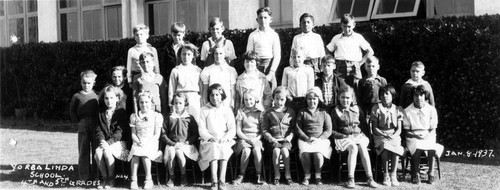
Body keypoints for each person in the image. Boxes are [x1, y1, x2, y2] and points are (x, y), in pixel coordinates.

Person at [331, 85, 379, 189]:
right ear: (339, 97)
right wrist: (343, 135)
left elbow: (364, 126)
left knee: (362, 146)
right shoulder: (335, 111)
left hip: (358, 135)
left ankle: (370, 178)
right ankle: (350, 179)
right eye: (343, 97)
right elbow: (332, 130)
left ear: (352, 98)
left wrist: (368, 140)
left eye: (348, 98)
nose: (345, 100)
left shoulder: (357, 109)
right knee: (353, 147)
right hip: (342, 137)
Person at [198, 84, 236, 190]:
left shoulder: (227, 109)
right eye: (212, 95)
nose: (215, 97)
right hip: (209, 140)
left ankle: (222, 180)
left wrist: (226, 138)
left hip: (224, 139)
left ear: (221, 95)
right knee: (214, 147)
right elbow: (202, 129)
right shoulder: (204, 110)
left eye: (217, 95)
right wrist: (209, 137)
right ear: (208, 96)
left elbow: (232, 128)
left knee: (223, 147)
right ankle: (214, 180)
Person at [404, 85, 443, 184]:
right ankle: (415, 174)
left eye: (421, 95)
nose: (419, 98)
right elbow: (406, 131)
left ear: (425, 96)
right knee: (417, 146)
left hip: (428, 135)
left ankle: (431, 174)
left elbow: (433, 127)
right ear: (412, 97)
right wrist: (416, 136)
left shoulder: (431, 109)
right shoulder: (407, 111)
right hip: (413, 136)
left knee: (431, 147)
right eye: (416, 95)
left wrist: (427, 136)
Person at [295, 87, 332, 185]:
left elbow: (328, 130)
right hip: (305, 139)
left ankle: (318, 176)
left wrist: (320, 139)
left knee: (318, 154)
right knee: (305, 154)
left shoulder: (324, 112)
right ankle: (307, 176)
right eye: (309, 99)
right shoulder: (302, 112)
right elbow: (298, 128)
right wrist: (306, 138)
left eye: (314, 99)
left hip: (320, 140)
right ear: (306, 100)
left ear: (318, 99)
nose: (312, 101)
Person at [94, 86, 130, 189]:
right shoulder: (100, 113)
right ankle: (104, 178)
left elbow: (120, 132)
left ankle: (111, 178)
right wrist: (102, 141)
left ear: (117, 98)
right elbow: (98, 129)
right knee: (97, 153)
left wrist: (108, 143)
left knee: (107, 151)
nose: (109, 101)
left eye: (111, 98)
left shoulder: (121, 112)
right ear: (103, 99)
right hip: (105, 142)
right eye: (106, 98)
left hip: (118, 143)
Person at [161, 93, 199, 187]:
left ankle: (183, 176)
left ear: (185, 103)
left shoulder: (189, 118)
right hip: (172, 144)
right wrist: (172, 143)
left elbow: (195, 134)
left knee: (179, 153)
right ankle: (171, 176)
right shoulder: (169, 117)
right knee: (172, 153)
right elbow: (163, 134)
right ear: (173, 103)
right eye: (176, 103)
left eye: (180, 103)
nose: (178, 105)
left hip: (185, 145)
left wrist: (186, 142)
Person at [325, 14, 374, 87]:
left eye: (349, 26)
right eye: (344, 26)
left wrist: (360, 63)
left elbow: (370, 52)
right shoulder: (336, 38)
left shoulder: (358, 37)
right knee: (339, 87)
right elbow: (328, 50)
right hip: (339, 66)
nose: (347, 29)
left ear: (354, 25)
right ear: (341, 25)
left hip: (354, 67)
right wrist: (333, 62)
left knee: (356, 88)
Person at [370, 85, 404, 187]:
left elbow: (399, 129)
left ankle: (393, 175)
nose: (384, 96)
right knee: (385, 146)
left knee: (396, 146)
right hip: (380, 135)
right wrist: (383, 133)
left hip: (393, 135)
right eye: (382, 94)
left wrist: (393, 136)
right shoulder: (376, 108)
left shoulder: (397, 109)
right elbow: (374, 128)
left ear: (392, 95)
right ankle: (386, 175)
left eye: (387, 94)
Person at [128, 92, 163, 189]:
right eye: (141, 102)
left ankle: (148, 179)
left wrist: (148, 142)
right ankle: (133, 179)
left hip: (151, 142)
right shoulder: (134, 116)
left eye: (146, 102)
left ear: (151, 103)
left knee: (144, 155)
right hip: (138, 141)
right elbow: (133, 133)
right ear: (138, 104)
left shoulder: (156, 116)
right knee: (136, 155)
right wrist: (138, 141)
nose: (144, 105)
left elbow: (157, 134)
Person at [261, 86, 295, 185]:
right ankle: (277, 175)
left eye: (282, 99)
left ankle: (288, 175)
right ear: (273, 98)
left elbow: (294, 128)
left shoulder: (290, 112)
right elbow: (264, 129)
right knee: (276, 151)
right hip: (273, 141)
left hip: (286, 140)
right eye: (277, 99)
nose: (279, 102)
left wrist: (290, 136)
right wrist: (270, 138)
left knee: (284, 150)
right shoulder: (268, 113)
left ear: (286, 99)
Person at [69, 70, 99, 181]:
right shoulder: (77, 96)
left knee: (96, 151)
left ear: (93, 83)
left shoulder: (96, 96)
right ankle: (84, 176)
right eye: (84, 83)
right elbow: (72, 111)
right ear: (81, 83)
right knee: (83, 150)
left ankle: (96, 176)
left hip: (95, 125)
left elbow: (99, 111)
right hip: (83, 124)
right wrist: (78, 122)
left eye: (89, 83)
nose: (86, 85)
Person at [232, 90, 265, 185]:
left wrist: (257, 138)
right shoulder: (241, 111)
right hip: (244, 138)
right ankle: (241, 175)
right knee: (246, 151)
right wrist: (246, 139)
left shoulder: (260, 112)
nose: (248, 102)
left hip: (256, 138)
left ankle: (259, 175)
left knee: (257, 150)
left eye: (250, 99)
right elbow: (238, 130)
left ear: (255, 99)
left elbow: (263, 131)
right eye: (246, 100)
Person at [246, 7, 281, 90]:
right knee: (255, 91)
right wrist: (252, 69)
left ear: (270, 19)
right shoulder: (253, 35)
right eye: (260, 18)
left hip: (269, 66)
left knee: (270, 92)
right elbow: (249, 54)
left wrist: (271, 72)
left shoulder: (274, 35)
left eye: (265, 17)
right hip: (256, 66)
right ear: (257, 20)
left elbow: (277, 56)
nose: (263, 20)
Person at [168, 43, 202, 118]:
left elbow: (201, 89)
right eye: (184, 54)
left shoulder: (198, 70)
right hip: (180, 99)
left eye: (189, 54)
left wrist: (202, 103)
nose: (186, 57)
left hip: (194, 99)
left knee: (196, 121)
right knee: (182, 121)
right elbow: (171, 88)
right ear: (180, 55)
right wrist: (171, 104)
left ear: (193, 56)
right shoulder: (176, 70)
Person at [200, 45, 238, 109]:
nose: (218, 56)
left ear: (224, 55)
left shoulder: (231, 70)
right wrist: (206, 104)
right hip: (212, 101)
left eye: (221, 53)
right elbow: (205, 90)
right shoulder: (207, 70)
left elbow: (233, 90)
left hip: (226, 102)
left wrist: (232, 104)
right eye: (216, 53)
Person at [291, 13, 325, 77]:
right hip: (301, 63)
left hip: (315, 64)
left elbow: (322, 53)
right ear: (300, 25)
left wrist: (322, 68)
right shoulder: (297, 38)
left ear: (313, 25)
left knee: (315, 83)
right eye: (303, 22)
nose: (306, 24)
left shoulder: (317, 37)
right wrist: (293, 66)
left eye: (308, 22)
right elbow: (292, 53)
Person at [282, 47, 315, 112]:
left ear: (304, 57)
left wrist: (307, 97)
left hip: (304, 99)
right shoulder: (287, 70)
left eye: (299, 57)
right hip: (291, 99)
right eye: (294, 57)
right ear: (291, 57)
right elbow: (284, 86)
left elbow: (310, 86)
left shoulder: (308, 69)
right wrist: (287, 95)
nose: (296, 59)